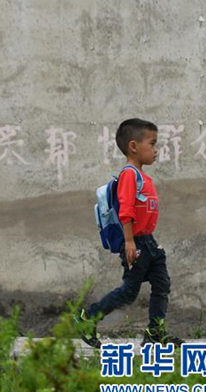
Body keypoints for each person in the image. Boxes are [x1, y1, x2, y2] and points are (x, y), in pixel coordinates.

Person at [76, 118, 184, 348]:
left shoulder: (145, 178)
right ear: (134, 146)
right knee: (128, 291)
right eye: (152, 144)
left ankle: (155, 332)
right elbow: (125, 210)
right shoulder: (129, 175)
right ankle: (87, 317)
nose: (156, 150)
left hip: (150, 243)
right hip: (136, 243)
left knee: (162, 284)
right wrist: (129, 242)